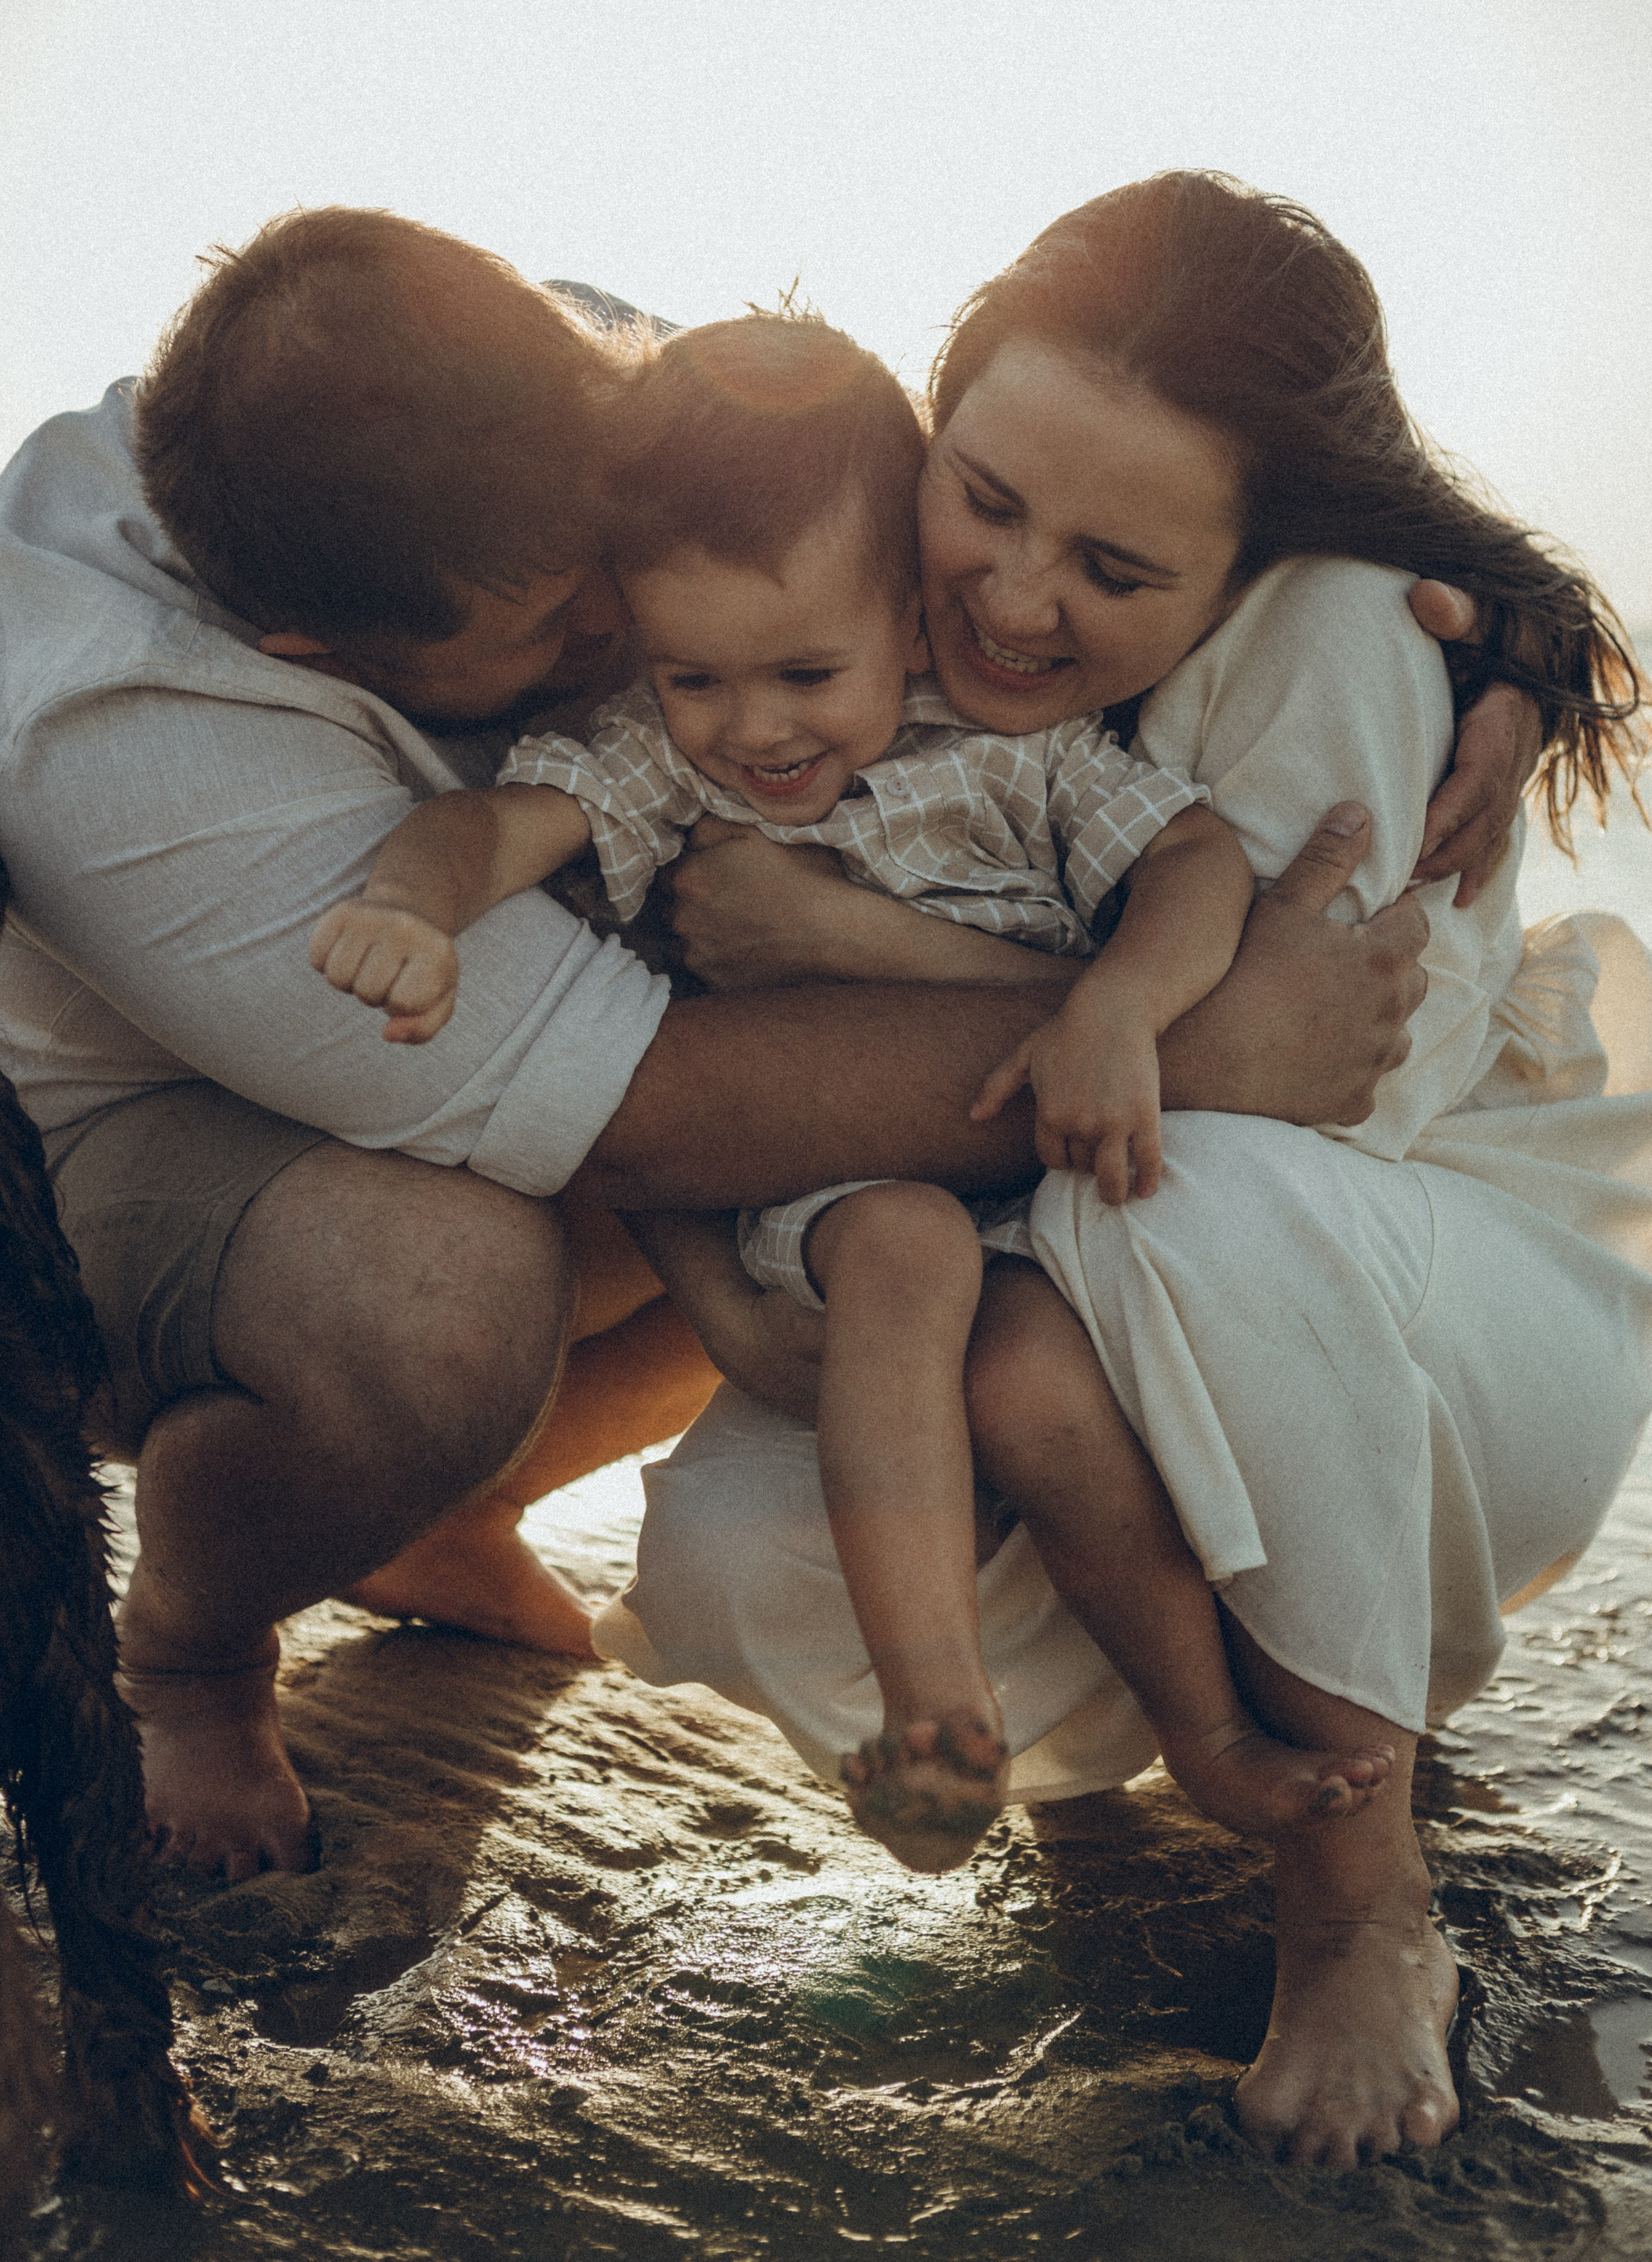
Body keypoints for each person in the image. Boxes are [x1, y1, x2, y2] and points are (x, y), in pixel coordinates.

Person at [0, 201, 1503, 1890]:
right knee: (444, 1296)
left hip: (533, 1056)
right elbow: (645, 1115)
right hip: (124, 1169)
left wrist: (1501, 645)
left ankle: (445, 1516)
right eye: (570, 634)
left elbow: (937, 505)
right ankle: (194, 1645)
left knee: (877, 1218)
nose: (630, 653)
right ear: (327, 660)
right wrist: (1199, 1048)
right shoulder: (108, 726)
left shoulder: (589, 402)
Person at [590, 171, 1652, 2169]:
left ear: (1258, 547)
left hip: (1428, 1313)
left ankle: (1365, 1900)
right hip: (1063, 1269)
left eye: (1113, 565)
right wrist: (743, 1294)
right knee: (744, 1554)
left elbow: (1314, 1098)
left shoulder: (1341, 625)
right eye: (983, 498)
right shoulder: (842, 608)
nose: (1012, 599)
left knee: (1189, 1193)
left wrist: (857, 960)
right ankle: (1142, 1763)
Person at [309, 311, 1387, 1869]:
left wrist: (1121, 1008)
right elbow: (496, 834)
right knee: (907, 1250)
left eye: (808, 673)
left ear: (903, 614)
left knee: (1040, 1390)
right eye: (696, 678)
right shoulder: (657, 761)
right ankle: (929, 1700)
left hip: (1049, 1196)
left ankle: (1206, 1735)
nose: (753, 729)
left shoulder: (1018, 753)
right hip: (833, 1197)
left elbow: (1196, 861)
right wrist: (411, 906)